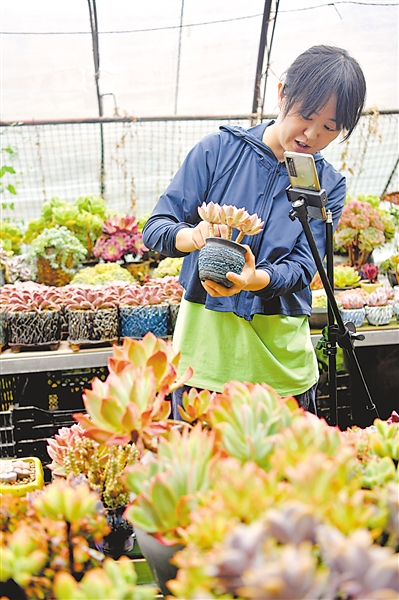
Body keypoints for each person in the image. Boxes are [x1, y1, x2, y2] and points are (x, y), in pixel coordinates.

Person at [142, 45, 367, 417]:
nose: (310, 134)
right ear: (282, 94)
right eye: (305, 116)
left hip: (281, 374)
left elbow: (303, 268)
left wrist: (255, 279)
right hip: (204, 364)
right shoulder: (217, 151)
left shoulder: (326, 184)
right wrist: (195, 236)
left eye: (329, 127)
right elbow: (156, 228)